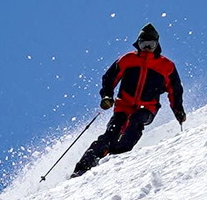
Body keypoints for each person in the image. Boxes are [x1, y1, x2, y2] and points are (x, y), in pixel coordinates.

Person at [70, 23, 185, 178]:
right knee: (111, 133)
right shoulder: (128, 59)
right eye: (143, 44)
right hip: (124, 105)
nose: (147, 48)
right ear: (138, 43)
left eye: (151, 44)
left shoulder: (166, 65)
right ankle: (82, 168)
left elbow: (175, 90)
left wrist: (178, 110)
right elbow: (109, 78)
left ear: (157, 44)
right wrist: (107, 96)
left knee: (136, 122)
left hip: (147, 107)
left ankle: (118, 156)